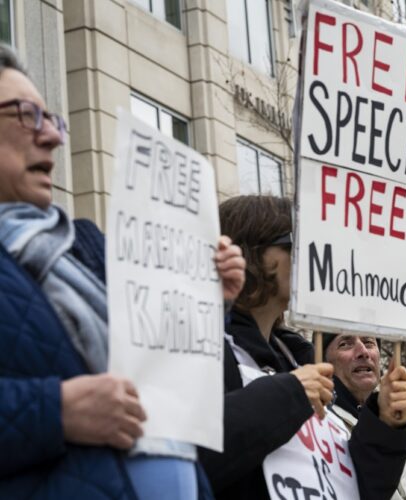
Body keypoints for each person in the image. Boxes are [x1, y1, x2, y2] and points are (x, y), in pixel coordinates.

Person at [0, 44, 246, 499]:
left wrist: (211, 299)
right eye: (25, 115)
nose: (52, 135)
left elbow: (168, 368)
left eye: (52, 119)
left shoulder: (89, 244)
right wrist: (56, 412)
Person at [198, 195, 406, 500]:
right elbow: (191, 457)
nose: (310, 255)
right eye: (294, 243)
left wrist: (385, 424)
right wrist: (289, 394)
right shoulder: (201, 345)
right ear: (250, 253)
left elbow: (351, 488)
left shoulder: (299, 361)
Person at [323, 332, 406, 500]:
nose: (363, 352)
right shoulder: (317, 424)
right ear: (324, 363)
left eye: (369, 343)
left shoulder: (393, 428)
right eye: (345, 344)